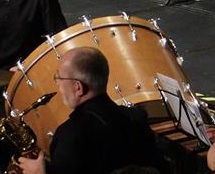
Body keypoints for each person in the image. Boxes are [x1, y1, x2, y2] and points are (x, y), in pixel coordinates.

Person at [17, 47, 166, 174]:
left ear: (78, 87)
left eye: (59, 78)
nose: (58, 85)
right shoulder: (136, 117)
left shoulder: (70, 135)